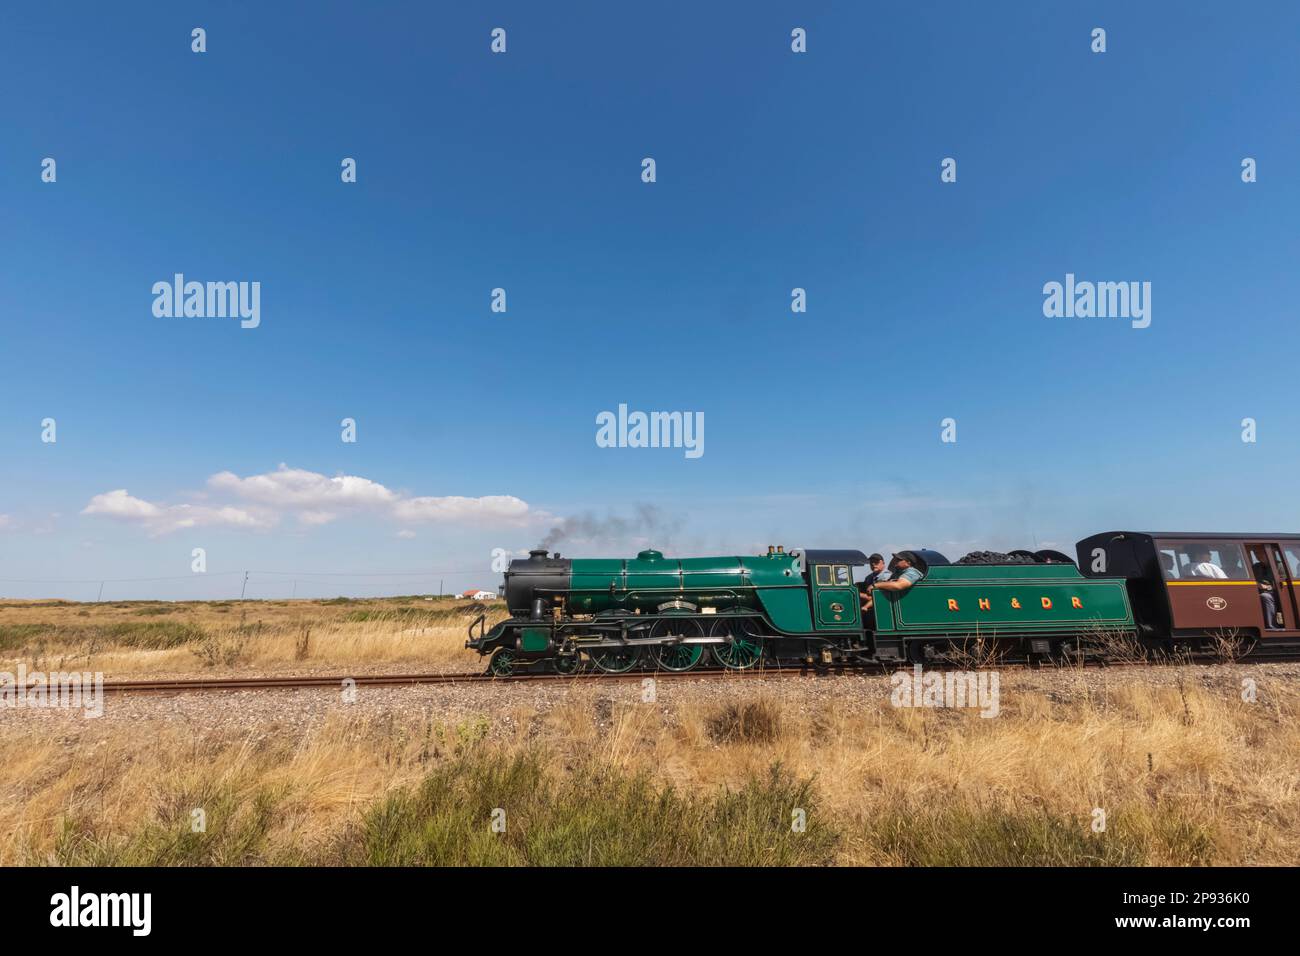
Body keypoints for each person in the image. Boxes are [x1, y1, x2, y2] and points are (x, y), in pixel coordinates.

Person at [1254, 562, 1284, 630]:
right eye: (1256, 553)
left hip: (1276, 592)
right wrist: (1256, 584)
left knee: (1265, 596)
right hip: (1257, 590)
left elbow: (1283, 581)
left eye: (1260, 553)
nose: (1258, 555)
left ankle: (1272, 627)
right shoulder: (1256, 566)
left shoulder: (1278, 565)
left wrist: (1267, 587)